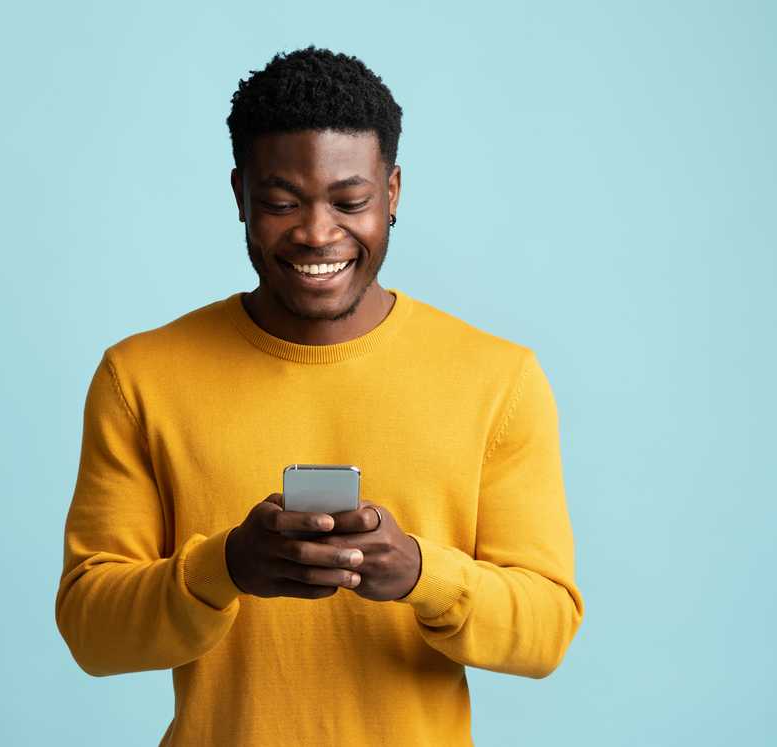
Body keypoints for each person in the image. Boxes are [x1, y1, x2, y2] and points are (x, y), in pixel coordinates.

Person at [54, 45, 584, 747]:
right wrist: (228, 564)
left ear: (391, 194)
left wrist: (421, 573)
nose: (316, 233)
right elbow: (94, 632)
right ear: (240, 194)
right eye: (280, 202)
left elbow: (546, 630)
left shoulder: (498, 379)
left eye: (350, 200)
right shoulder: (140, 377)